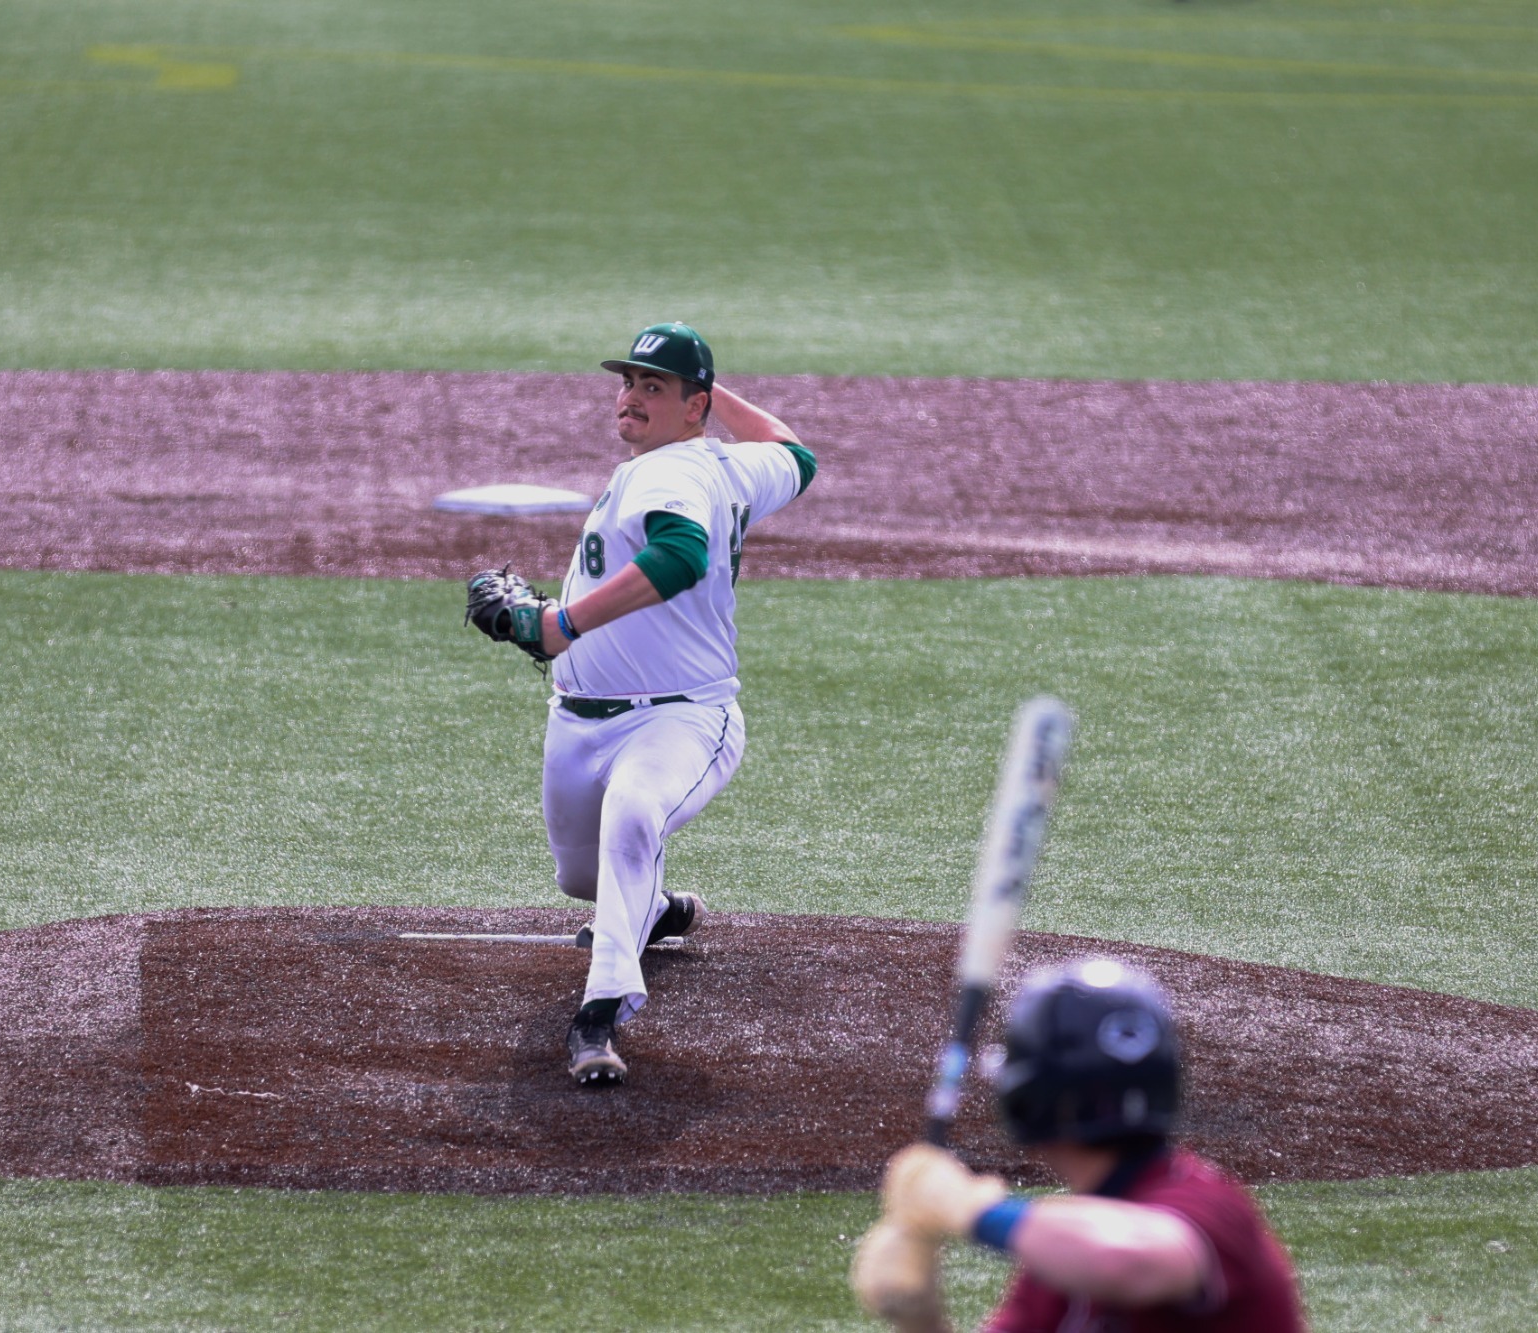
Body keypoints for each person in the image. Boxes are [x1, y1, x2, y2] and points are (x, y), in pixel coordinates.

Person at [468, 322, 815, 1086]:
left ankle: (599, 1015)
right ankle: (655, 910)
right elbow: (797, 454)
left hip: (679, 717)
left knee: (632, 815)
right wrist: (702, 388)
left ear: (693, 407)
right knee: (583, 876)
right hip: (580, 720)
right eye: (628, 382)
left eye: (652, 387)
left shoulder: (670, 472)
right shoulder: (727, 463)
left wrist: (559, 623)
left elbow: (681, 556)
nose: (630, 397)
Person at [850, 958, 1307, 1332]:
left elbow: (1123, 1263)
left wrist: (970, 1209)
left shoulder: (1208, 1206)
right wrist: (921, 1322)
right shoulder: (1062, 1251)